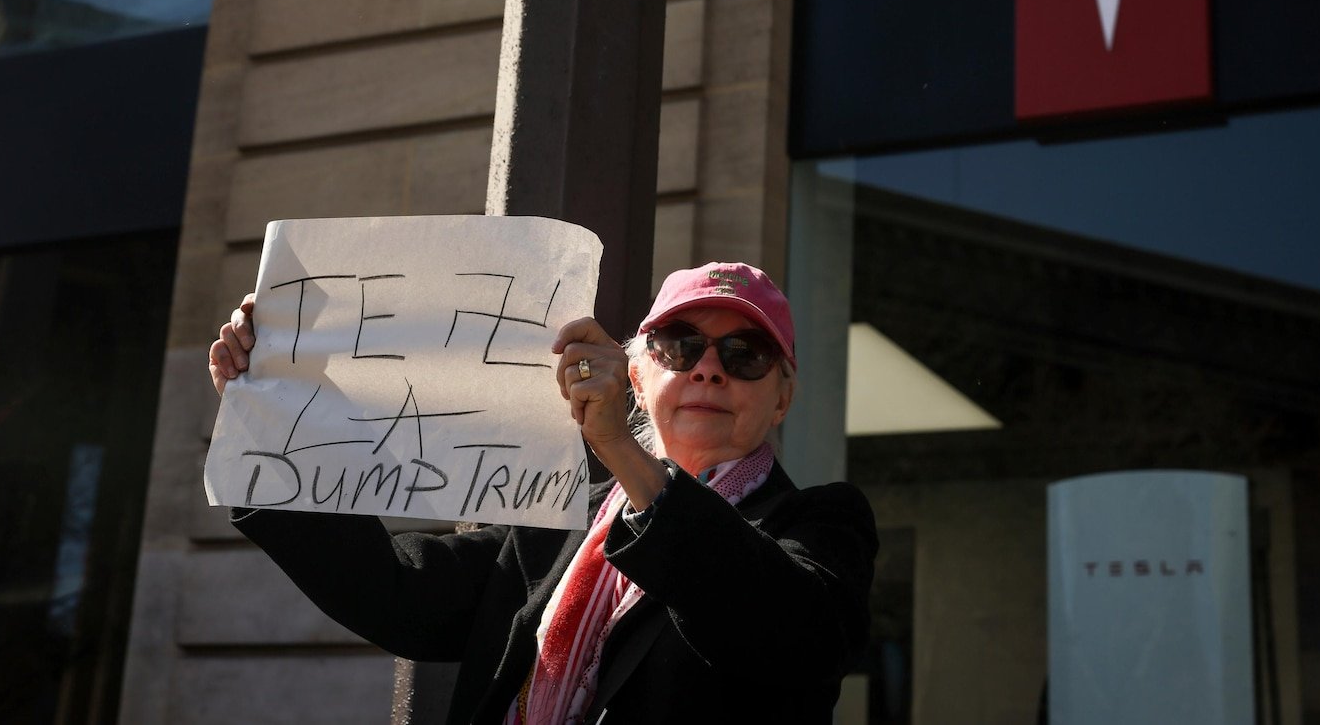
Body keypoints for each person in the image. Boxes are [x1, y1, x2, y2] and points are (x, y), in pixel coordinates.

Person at [208, 261, 876, 724]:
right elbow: (400, 597)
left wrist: (620, 450)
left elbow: (793, 633)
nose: (708, 369)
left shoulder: (820, 521)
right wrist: (266, 409)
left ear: (782, 398)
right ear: (639, 376)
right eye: (681, 345)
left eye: (745, 355)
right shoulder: (561, 516)